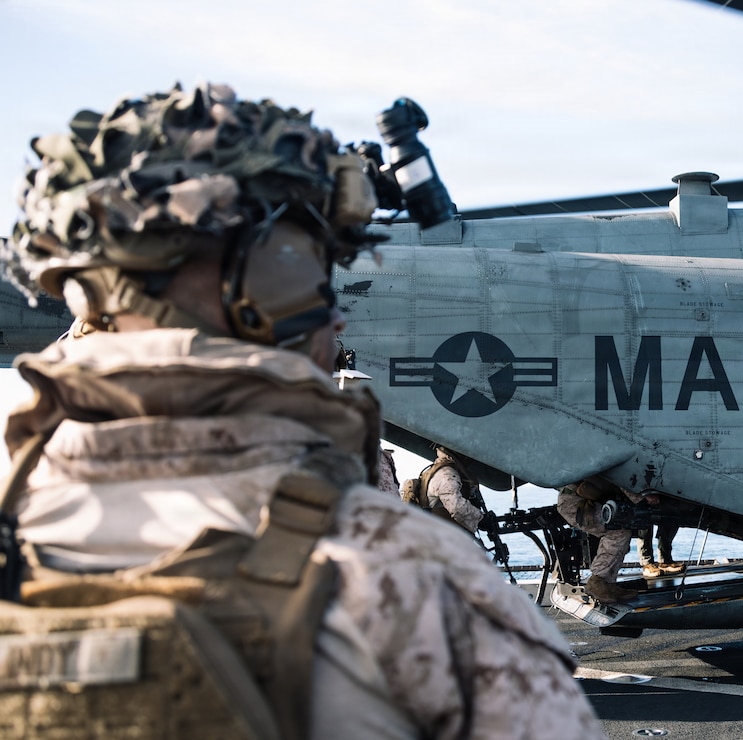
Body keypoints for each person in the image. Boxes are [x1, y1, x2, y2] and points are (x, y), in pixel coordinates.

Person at [0, 82, 603, 738]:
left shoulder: (21, 526)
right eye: (316, 274)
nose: (335, 316)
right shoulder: (407, 576)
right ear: (268, 283)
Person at [556, 476, 649, 604]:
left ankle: (608, 585)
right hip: (575, 502)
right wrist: (643, 498)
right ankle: (597, 581)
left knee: (622, 531)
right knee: (617, 532)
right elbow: (623, 480)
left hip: (582, 499)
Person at [423, 446, 486, 533]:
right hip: (443, 535)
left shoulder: (440, 469)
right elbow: (456, 506)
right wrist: (480, 519)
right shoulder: (446, 474)